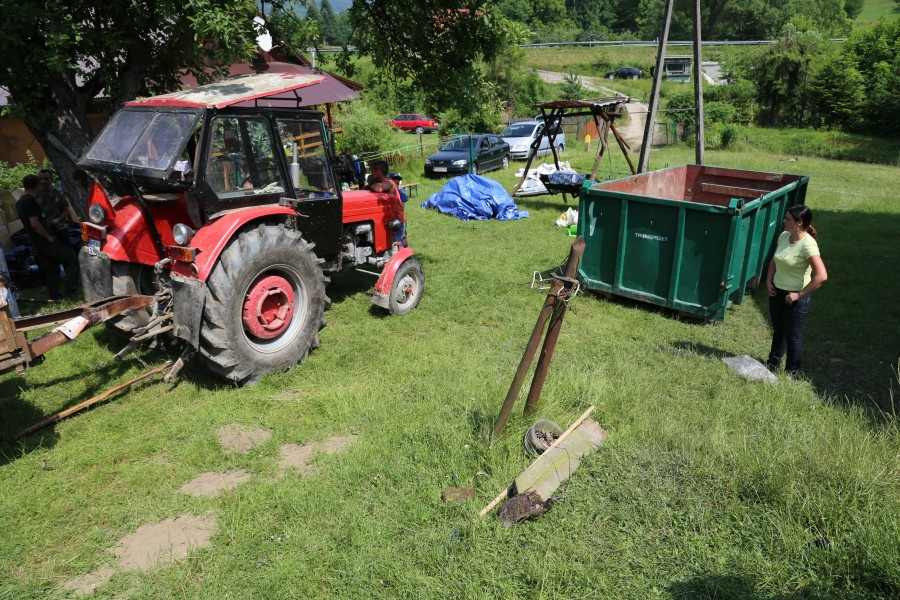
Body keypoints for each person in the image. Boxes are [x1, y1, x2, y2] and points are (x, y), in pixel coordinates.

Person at [765, 205, 828, 379]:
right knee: (778, 330)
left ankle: (791, 372)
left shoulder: (808, 245)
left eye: (788, 219)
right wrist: (769, 280)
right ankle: (773, 362)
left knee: (793, 335)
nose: (784, 222)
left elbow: (821, 276)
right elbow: (775, 259)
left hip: (795, 298)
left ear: (799, 223)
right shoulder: (784, 236)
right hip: (776, 292)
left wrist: (798, 295)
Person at [16, 174, 79, 301]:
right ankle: (71, 287)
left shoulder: (21, 201)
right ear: (37, 185)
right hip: (44, 240)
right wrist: (49, 237)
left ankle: (55, 294)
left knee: (50, 267)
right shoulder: (30, 201)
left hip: (36, 241)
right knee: (71, 256)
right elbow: (34, 223)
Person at [367, 160, 407, 247]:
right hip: (391, 221)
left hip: (396, 221)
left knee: (396, 247)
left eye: (373, 171)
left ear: (379, 172)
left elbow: (378, 188)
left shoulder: (389, 183)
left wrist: (370, 185)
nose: (371, 173)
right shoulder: (385, 182)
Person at [36, 169, 79, 241]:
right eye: (40, 179)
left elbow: (66, 210)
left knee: (67, 248)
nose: (43, 181)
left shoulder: (58, 193)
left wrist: (58, 219)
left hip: (59, 227)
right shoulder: (35, 193)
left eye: (46, 179)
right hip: (43, 229)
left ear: (52, 179)